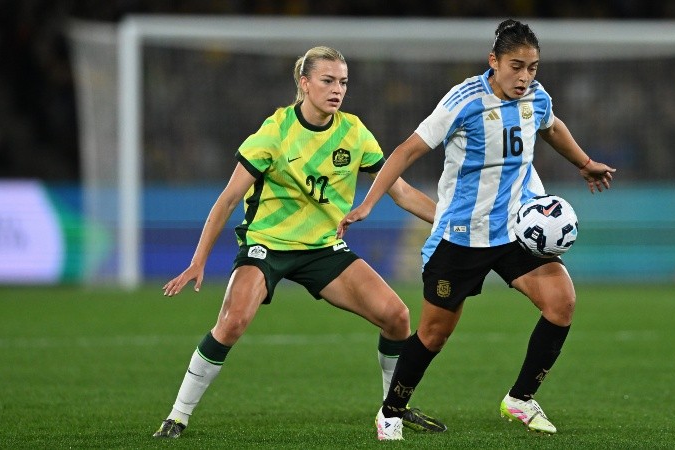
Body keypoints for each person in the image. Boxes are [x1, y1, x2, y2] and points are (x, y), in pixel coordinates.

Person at [337, 20, 616, 440]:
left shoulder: (536, 98)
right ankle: (390, 411)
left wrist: (583, 162)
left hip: (516, 230)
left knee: (561, 303)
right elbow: (407, 150)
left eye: (533, 68)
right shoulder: (463, 100)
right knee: (434, 334)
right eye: (516, 66)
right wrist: (370, 203)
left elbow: (552, 126)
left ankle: (520, 399)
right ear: (494, 61)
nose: (525, 77)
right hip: (461, 237)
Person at [152, 46, 446, 439]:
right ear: (304, 83)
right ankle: (178, 415)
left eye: (342, 81)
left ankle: (393, 409)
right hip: (267, 246)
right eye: (328, 80)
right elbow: (227, 199)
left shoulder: (354, 133)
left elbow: (403, 192)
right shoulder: (275, 132)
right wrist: (198, 260)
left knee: (397, 317)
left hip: (323, 249)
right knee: (233, 321)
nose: (337, 89)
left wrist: (452, 223)